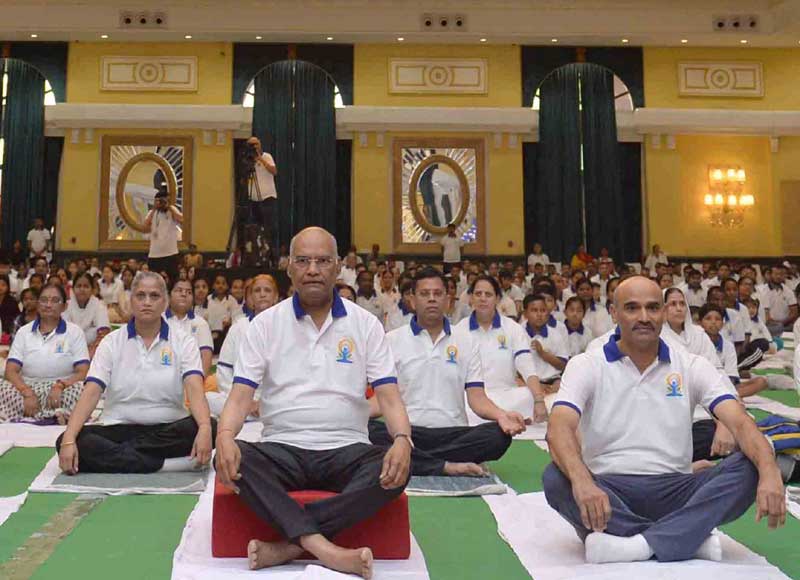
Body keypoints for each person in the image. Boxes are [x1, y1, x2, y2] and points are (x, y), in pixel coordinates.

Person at [543, 276, 785, 565]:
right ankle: (685, 539)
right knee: (556, 477)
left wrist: (770, 471)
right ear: (614, 313)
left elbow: (741, 422)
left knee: (752, 464)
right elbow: (558, 429)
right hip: (608, 490)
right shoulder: (587, 364)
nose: (644, 317)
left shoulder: (691, 364)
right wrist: (583, 482)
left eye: (653, 308)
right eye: (632, 308)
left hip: (676, 489)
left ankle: (634, 543)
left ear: (664, 313)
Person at [214, 227, 412, 577]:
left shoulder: (365, 324)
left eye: (322, 261)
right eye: (303, 261)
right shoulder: (265, 325)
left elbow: (390, 399)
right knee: (228, 457)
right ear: (289, 268)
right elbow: (241, 395)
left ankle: (290, 546)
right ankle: (325, 549)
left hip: (347, 447)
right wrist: (225, 435)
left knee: (396, 466)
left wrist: (402, 440)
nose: (313, 269)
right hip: (281, 447)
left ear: (338, 268)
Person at [369, 267, 525, 477]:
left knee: (498, 436)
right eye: (425, 294)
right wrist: (353, 416)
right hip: (406, 431)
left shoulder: (467, 341)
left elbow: (477, 398)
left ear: (448, 300)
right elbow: (383, 400)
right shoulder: (392, 340)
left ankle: (417, 461)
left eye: (438, 294)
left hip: (453, 434)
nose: (431, 299)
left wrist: (502, 415)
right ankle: (446, 466)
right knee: (365, 431)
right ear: (412, 300)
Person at [56, 271, 215, 474]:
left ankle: (119, 458)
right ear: (131, 301)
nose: (147, 302)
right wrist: (69, 438)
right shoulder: (111, 342)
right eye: (140, 296)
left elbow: (194, 388)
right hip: (118, 426)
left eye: (154, 296)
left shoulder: (184, 341)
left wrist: (204, 428)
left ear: (165, 302)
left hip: (167, 426)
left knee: (210, 425)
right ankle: (164, 465)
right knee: (67, 440)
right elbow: (92, 392)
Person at [455, 275, 547, 422]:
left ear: (497, 299)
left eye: (488, 294)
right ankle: (502, 418)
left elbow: (527, 367)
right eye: (478, 294)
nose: (483, 298)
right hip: (472, 399)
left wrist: (539, 400)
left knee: (527, 395)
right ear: (471, 298)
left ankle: (500, 417)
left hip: (507, 396)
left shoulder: (513, 329)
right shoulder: (458, 330)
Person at [0, 284, 89, 423]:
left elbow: (83, 371)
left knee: (85, 389)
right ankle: (53, 416)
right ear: (38, 304)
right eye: (44, 300)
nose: (48, 305)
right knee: (2, 386)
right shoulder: (24, 332)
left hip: (61, 390)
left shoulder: (74, 332)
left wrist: (61, 385)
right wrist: (26, 392)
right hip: (26, 388)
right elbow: (10, 371)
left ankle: (30, 415)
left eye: (55, 300)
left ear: (64, 306)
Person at [210, 275, 279, 417]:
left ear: (276, 297)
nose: (262, 294)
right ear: (250, 297)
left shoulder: (285, 328)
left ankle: (250, 414)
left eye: (267, 290)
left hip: (273, 400)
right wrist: (245, 401)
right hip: (241, 397)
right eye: (257, 290)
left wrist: (262, 402)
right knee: (208, 398)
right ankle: (248, 413)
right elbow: (224, 371)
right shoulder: (238, 327)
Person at [699, 304, 768, 398]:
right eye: (708, 319)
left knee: (761, 382)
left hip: (723, 385)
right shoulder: (696, 343)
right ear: (700, 323)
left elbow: (731, 376)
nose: (713, 322)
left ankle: (725, 396)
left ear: (722, 324)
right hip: (700, 386)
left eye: (717, 319)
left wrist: (725, 387)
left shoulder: (728, 346)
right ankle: (725, 397)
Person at [165, 279, 214, 378]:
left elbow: (206, 357)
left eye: (189, 292)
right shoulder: (158, 321)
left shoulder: (201, 323)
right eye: (179, 290)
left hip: (192, 380)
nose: (184, 294)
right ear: (169, 296)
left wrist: (197, 385)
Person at [521, 294, 569, 389]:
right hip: (526, 383)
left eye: (543, 310)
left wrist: (543, 353)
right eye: (534, 310)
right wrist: (536, 385)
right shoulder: (518, 333)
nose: (539, 315)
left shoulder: (555, 334)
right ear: (525, 314)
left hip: (553, 381)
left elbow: (563, 365)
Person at [63, 272, 110, 356]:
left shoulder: (99, 305)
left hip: (94, 351)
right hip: (69, 349)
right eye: (78, 286)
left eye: (86, 286)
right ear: (73, 289)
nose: (82, 289)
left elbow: (104, 333)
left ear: (92, 289)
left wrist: (89, 353)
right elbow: (63, 333)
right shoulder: (66, 306)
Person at [246, 136, 278, 245]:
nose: (254, 146)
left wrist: (260, 159)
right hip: (253, 198)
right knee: (253, 227)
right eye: (251, 145)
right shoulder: (247, 160)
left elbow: (274, 171)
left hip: (267, 197)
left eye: (256, 144)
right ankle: (256, 248)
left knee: (268, 226)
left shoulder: (266, 156)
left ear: (260, 144)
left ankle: (270, 249)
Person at [144, 191, 183, 282]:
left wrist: (168, 206)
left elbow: (181, 219)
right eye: (158, 201)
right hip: (154, 254)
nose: (160, 203)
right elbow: (145, 226)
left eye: (162, 201)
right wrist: (154, 208)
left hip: (170, 253)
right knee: (153, 281)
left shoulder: (172, 210)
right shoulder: (152, 212)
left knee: (173, 281)